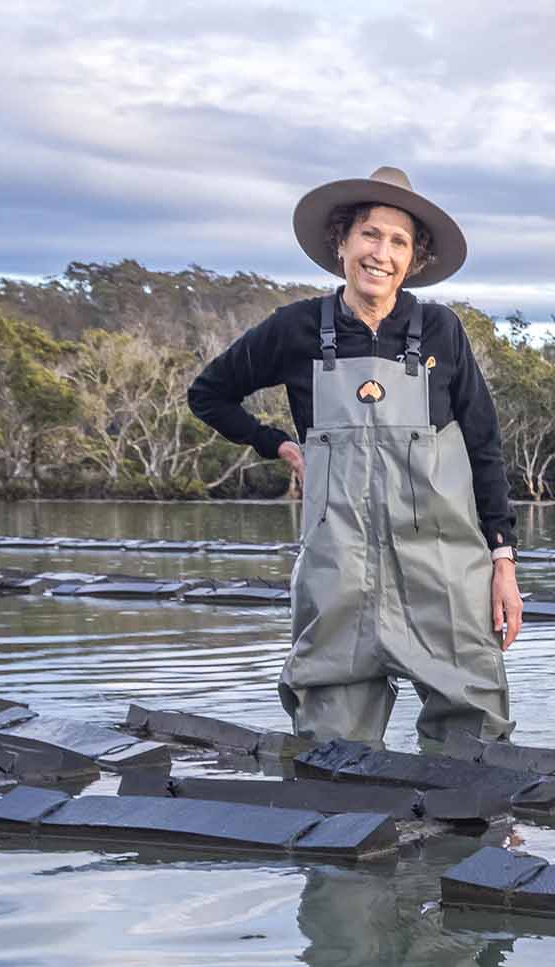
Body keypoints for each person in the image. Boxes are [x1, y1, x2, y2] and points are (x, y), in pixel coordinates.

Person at [189, 165, 521, 744]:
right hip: (336, 575)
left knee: (475, 743)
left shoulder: (442, 330)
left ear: (413, 257)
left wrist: (503, 562)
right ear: (341, 242)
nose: (381, 253)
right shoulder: (295, 327)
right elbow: (208, 394)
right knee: (331, 749)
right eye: (370, 234)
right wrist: (279, 444)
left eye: (399, 241)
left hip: (443, 573)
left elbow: (483, 446)